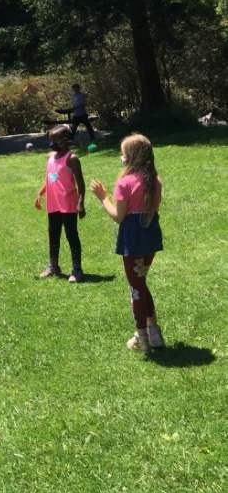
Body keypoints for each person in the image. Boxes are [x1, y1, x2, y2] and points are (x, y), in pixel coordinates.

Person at [90, 133, 165, 352]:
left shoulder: (125, 182)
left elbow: (118, 216)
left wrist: (103, 197)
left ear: (130, 157)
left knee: (135, 289)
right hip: (150, 236)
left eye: (123, 154)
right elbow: (153, 209)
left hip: (132, 240)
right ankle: (154, 333)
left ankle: (141, 338)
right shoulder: (155, 181)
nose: (121, 158)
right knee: (140, 283)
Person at [35, 124, 86, 282]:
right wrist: (40, 193)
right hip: (54, 204)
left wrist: (81, 203)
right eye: (51, 140)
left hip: (68, 204)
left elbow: (81, 184)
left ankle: (77, 269)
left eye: (55, 140)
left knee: (71, 235)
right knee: (53, 234)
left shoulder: (72, 159)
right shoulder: (50, 157)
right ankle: (53, 266)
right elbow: (50, 178)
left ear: (65, 140)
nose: (52, 143)